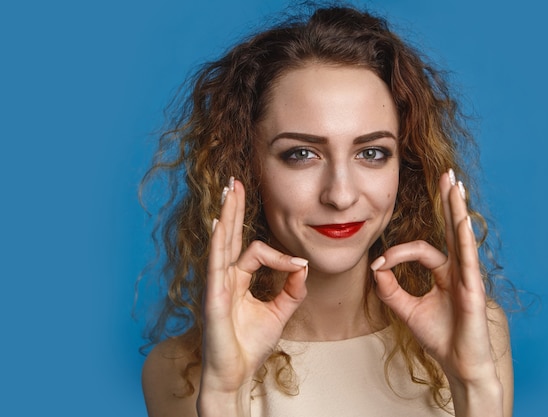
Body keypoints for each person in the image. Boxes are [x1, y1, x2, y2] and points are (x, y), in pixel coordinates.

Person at [141, 4, 514, 417]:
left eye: (372, 153)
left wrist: (473, 384)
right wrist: (225, 395)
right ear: (246, 166)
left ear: (404, 167)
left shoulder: (477, 329)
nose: (340, 195)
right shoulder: (179, 370)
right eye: (301, 154)